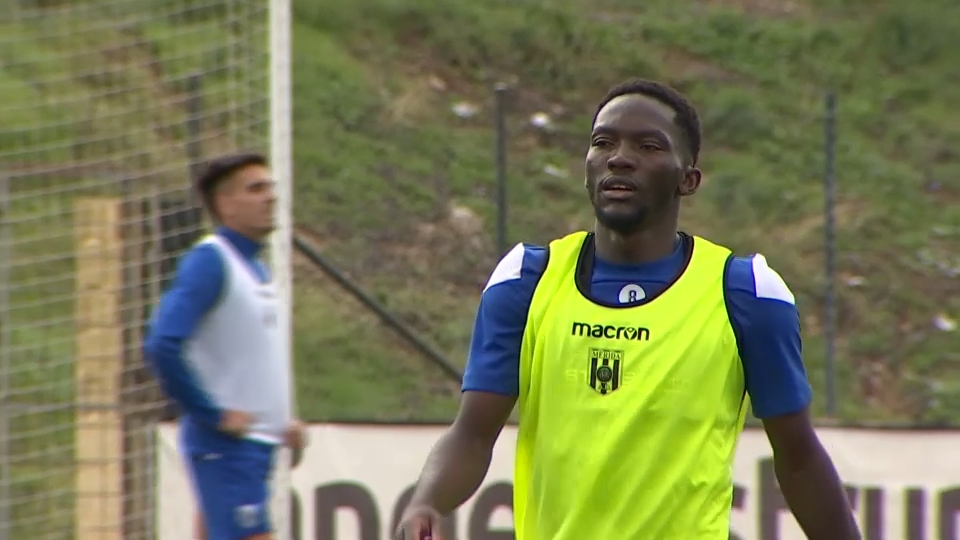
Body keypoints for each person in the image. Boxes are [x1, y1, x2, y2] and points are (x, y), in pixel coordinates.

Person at [395, 79, 862, 540]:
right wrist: (426, 501)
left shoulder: (745, 294)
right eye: (603, 142)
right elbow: (473, 434)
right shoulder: (527, 281)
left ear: (688, 179)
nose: (620, 157)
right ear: (586, 168)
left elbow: (797, 456)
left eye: (648, 146)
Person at [144, 152, 306, 540]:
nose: (271, 197)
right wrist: (212, 414)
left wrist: (282, 420)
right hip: (228, 449)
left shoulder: (255, 267)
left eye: (271, 187)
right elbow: (162, 343)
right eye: (256, 189)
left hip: (253, 448)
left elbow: (247, 358)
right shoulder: (210, 262)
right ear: (225, 204)